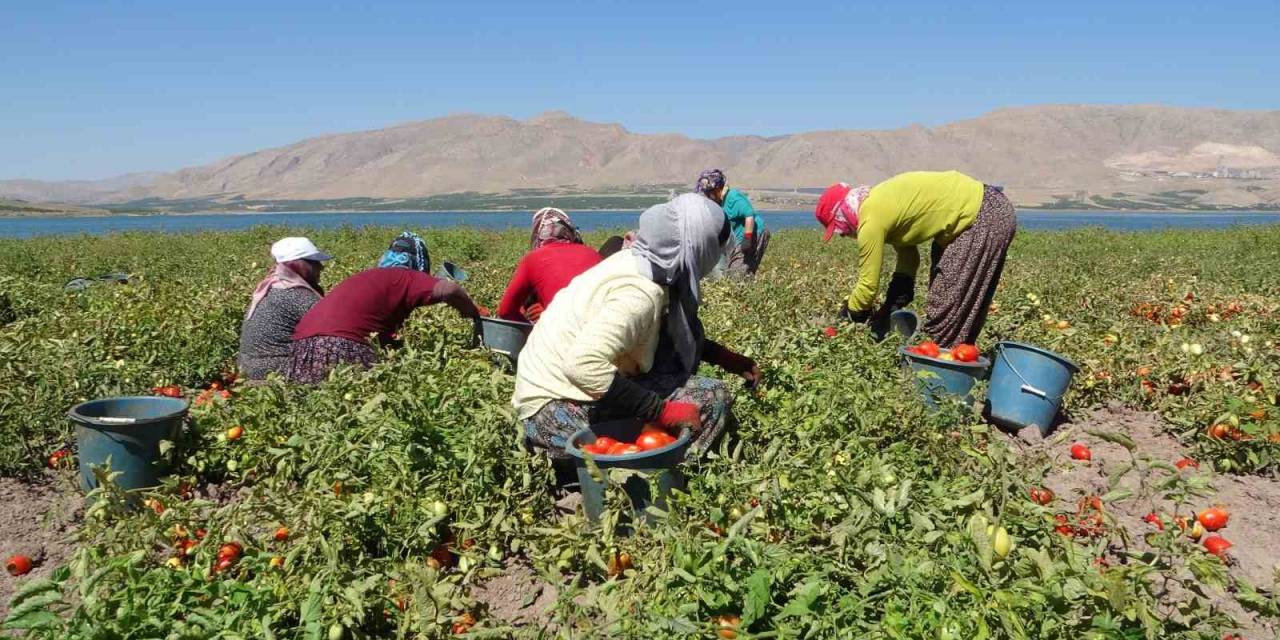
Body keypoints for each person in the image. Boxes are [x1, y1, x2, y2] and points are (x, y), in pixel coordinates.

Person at [512, 194, 761, 461]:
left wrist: (723, 357)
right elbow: (582, 365)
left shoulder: (639, 262)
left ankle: (646, 452)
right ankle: (667, 475)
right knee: (712, 396)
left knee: (671, 366)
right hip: (552, 414)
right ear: (700, 246)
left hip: (554, 394)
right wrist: (659, 410)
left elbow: (666, 335)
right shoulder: (640, 292)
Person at [814, 170, 1016, 347]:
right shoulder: (879, 202)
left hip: (982, 215)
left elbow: (867, 286)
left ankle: (937, 377)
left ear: (841, 214)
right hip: (987, 209)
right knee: (959, 303)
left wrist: (849, 316)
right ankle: (959, 361)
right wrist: (894, 300)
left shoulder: (871, 218)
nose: (845, 235)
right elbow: (908, 257)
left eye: (839, 230)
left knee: (945, 308)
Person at [287, 231, 483, 383]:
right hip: (341, 347)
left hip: (301, 351)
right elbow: (449, 289)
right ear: (419, 263)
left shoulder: (369, 276)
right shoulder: (406, 276)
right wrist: (472, 311)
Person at [237, 237, 332, 381]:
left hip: (248, 368)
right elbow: (334, 329)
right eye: (314, 263)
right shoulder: (297, 295)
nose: (321, 267)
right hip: (275, 371)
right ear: (298, 265)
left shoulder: (271, 287)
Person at [497, 208, 603, 323]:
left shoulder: (533, 258)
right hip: (600, 328)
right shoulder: (593, 254)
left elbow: (505, 311)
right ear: (569, 231)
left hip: (562, 333)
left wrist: (532, 326)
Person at [696, 169, 769, 276]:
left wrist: (747, 239)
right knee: (734, 272)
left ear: (716, 189)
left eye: (708, 193)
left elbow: (749, 215)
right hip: (739, 240)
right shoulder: (719, 204)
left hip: (755, 234)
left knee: (738, 273)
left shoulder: (733, 196)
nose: (707, 196)